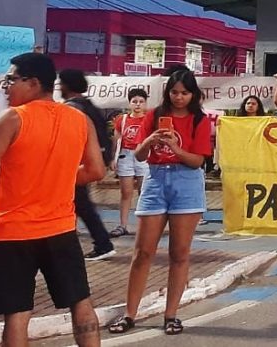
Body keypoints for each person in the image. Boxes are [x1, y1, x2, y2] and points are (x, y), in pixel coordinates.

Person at [0, 53, 107, 347]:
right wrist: (61, 175)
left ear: (33, 83)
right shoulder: (78, 119)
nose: (7, 87)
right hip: (61, 228)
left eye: (11, 80)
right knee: (80, 302)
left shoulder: (14, 118)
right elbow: (96, 170)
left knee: (17, 314)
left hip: (13, 231)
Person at [108, 68, 212, 336]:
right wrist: (151, 140)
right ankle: (130, 313)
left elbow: (198, 161)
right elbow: (140, 155)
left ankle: (171, 314)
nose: (179, 98)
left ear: (193, 94)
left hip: (186, 183)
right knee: (142, 252)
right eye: (174, 92)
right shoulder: (154, 115)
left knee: (179, 253)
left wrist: (175, 149)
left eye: (184, 93)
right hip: (155, 180)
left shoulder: (199, 119)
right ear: (167, 92)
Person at [59, 69, 118, 261]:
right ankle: (97, 243)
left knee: (80, 205)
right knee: (80, 205)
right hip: (90, 162)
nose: (59, 87)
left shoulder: (72, 109)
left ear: (67, 85)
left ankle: (102, 244)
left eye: (61, 83)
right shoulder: (89, 105)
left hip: (77, 164)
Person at [111, 88, 150, 238]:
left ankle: (145, 225)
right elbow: (116, 139)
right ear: (129, 103)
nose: (138, 105)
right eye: (134, 101)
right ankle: (123, 225)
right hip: (125, 156)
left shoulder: (148, 120)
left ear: (145, 104)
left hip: (143, 155)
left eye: (141, 102)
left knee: (144, 192)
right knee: (126, 192)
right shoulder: (122, 119)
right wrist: (112, 159)